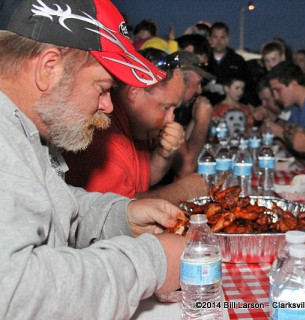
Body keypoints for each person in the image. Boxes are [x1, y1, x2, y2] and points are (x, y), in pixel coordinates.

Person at [0, 0, 187, 318]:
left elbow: (46, 204)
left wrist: (119, 217)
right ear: (49, 68)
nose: (108, 106)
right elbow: (17, 293)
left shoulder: (22, 129)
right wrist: (151, 262)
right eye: (103, 88)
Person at [64, 50, 208, 204]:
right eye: (166, 108)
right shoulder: (100, 134)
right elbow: (117, 209)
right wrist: (184, 191)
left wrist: (164, 155)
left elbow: (142, 180)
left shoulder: (137, 126)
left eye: (175, 110)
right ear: (134, 93)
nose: (170, 119)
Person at [170, 50, 215, 179]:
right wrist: (202, 123)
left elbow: (188, 149)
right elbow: (185, 168)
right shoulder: (164, 111)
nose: (200, 90)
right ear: (181, 79)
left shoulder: (178, 109)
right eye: (198, 83)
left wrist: (196, 120)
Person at [264, 62, 305, 154]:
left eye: (278, 90)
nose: (276, 97)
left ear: (293, 83)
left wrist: (280, 133)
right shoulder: (295, 106)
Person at [203, 21, 251, 106]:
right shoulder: (203, 59)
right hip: (205, 108)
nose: (219, 41)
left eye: (222, 37)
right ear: (210, 39)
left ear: (228, 39)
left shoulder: (238, 61)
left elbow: (248, 87)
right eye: (215, 37)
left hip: (231, 110)